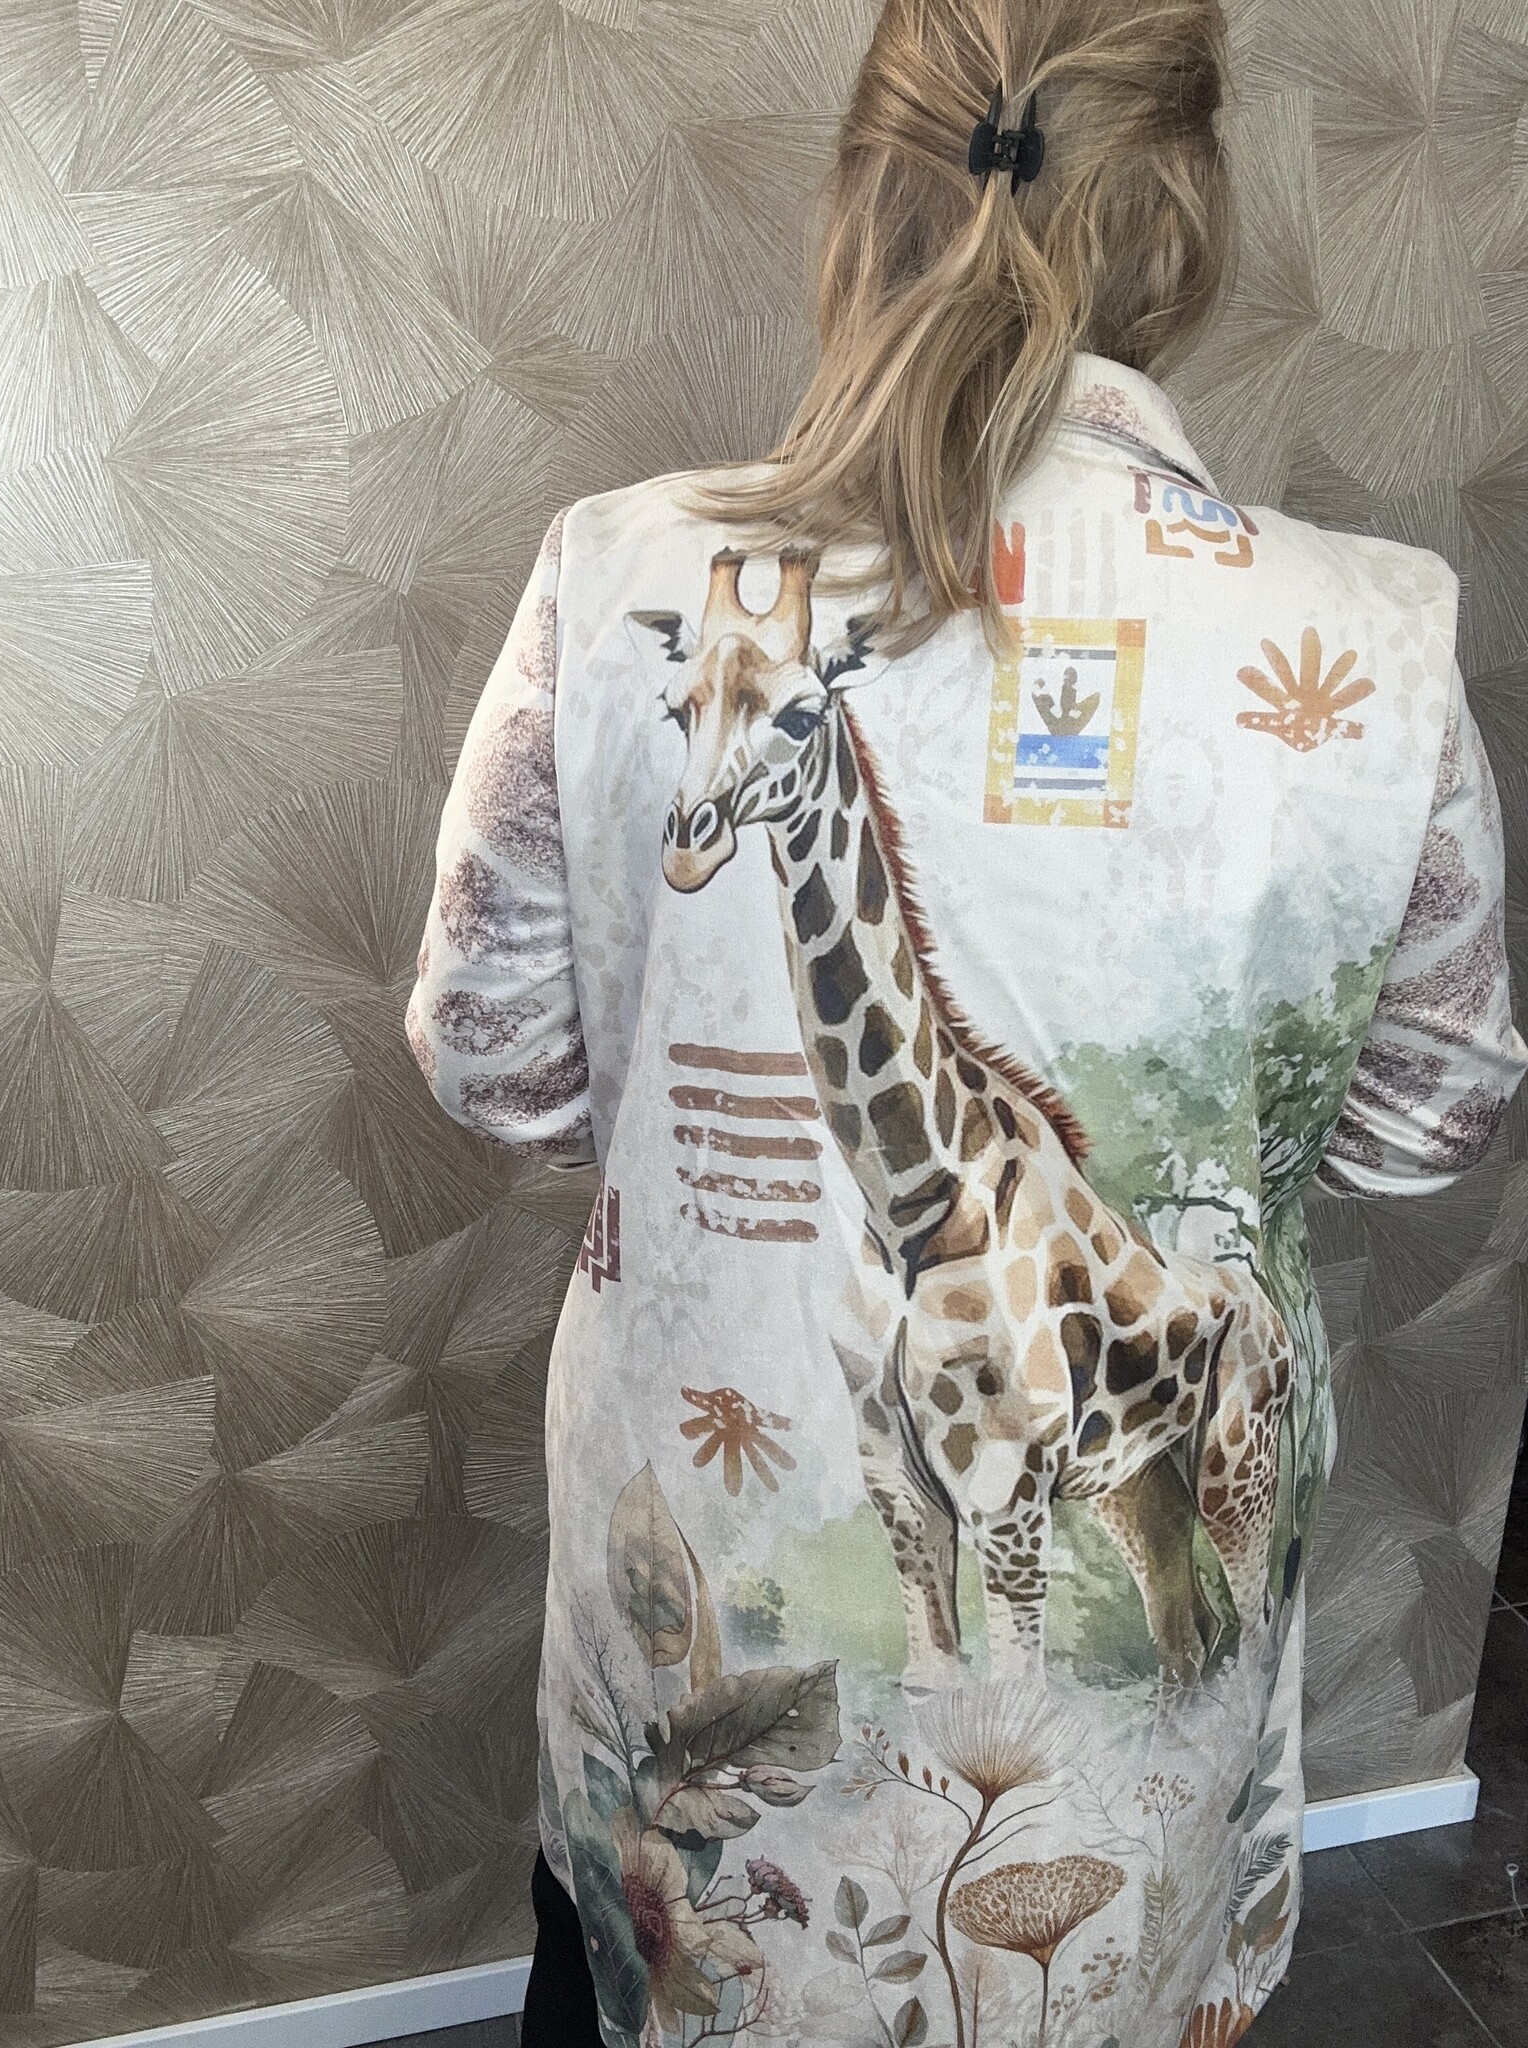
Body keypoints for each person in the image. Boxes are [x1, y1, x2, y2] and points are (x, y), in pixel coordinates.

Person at [405, 1, 1527, 2041]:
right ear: (1183, 218)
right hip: (1137, 1719)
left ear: (867, 195)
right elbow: (1424, 1118)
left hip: (706, 1592)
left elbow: (494, 1055)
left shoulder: (627, 578)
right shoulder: (1371, 635)